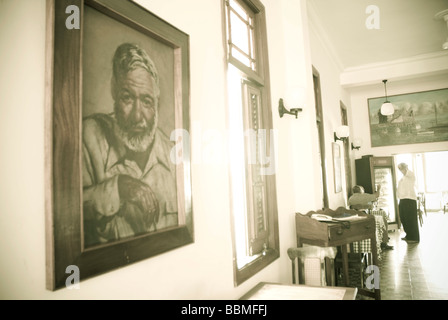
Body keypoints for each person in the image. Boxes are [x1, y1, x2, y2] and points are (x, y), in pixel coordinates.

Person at [82, 43, 178, 247]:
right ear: (114, 93)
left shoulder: (173, 154)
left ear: (157, 103)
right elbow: (66, 212)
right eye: (127, 98)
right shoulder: (90, 136)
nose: (137, 116)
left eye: (146, 101)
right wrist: (118, 188)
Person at [348, 185, 393, 250]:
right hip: (366, 217)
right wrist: (379, 188)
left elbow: (366, 205)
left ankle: (382, 238)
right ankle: (384, 242)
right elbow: (377, 195)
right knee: (383, 220)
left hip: (356, 218)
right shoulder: (364, 196)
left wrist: (369, 204)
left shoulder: (351, 198)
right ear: (361, 191)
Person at [397, 162, 419, 243]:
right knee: (403, 218)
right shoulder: (403, 177)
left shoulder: (410, 175)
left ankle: (414, 238)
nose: (400, 170)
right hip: (403, 199)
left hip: (409, 199)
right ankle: (408, 235)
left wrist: (404, 168)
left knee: (410, 219)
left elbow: (407, 173)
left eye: (401, 168)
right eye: (399, 169)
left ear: (405, 167)